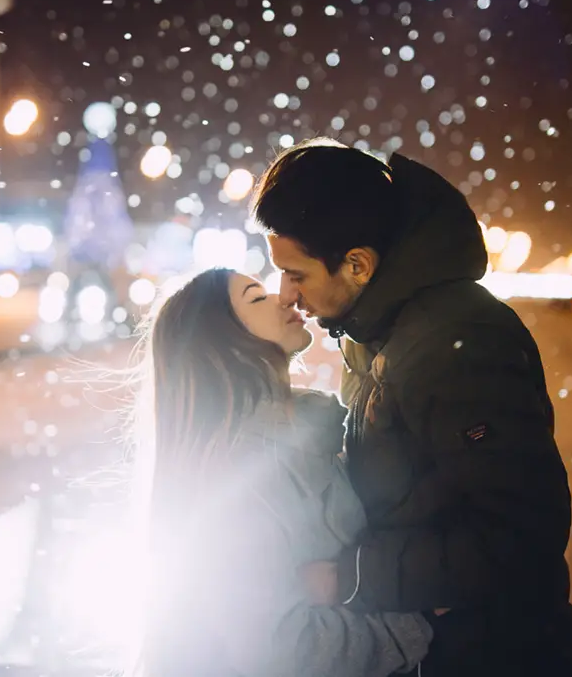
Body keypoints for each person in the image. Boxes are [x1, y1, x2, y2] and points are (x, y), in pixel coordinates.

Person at [251, 139, 572, 676]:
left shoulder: (460, 340)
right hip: (436, 647)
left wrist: (353, 576)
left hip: (493, 655)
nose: (286, 293)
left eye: (297, 274)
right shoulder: (373, 327)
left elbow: (523, 532)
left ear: (357, 265)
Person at [132, 267, 433, 677]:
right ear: (226, 346)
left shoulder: (311, 442)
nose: (284, 298)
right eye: (257, 298)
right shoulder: (238, 481)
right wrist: (415, 620)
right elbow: (285, 652)